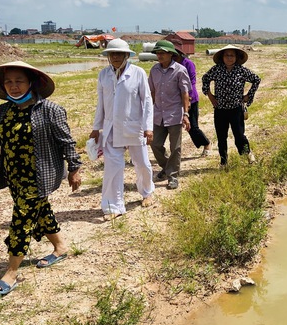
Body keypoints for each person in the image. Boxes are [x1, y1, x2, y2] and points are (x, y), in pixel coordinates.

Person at [0, 61, 82, 296]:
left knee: (22, 219)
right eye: (8, 82)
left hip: (40, 177)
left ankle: (11, 273)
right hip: (14, 177)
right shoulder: (3, 111)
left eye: (19, 81)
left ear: (31, 83)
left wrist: (74, 168)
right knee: (40, 211)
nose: (13, 87)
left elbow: (67, 142)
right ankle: (60, 246)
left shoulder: (50, 110)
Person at [90, 39, 155, 220]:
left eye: (119, 54)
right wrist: (96, 128)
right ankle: (113, 206)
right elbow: (100, 104)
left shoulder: (138, 73)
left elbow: (147, 101)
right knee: (112, 167)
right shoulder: (103, 75)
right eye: (112, 54)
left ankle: (147, 192)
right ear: (108, 57)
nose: (115, 57)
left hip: (135, 127)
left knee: (141, 163)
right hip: (111, 128)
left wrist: (148, 127)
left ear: (127, 55)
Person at [201, 45, 261, 167]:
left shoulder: (241, 70)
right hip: (220, 109)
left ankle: (248, 155)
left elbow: (256, 79)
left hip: (236, 109)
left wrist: (249, 95)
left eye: (232, 55)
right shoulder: (217, 69)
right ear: (222, 57)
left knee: (239, 135)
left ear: (236, 57)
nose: (229, 58)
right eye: (226, 55)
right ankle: (223, 161)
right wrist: (210, 96)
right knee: (221, 137)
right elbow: (205, 79)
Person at [148, 40, 191, 189]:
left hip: (174, 114)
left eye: (162, 53)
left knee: (176, 147)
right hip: (158, 113)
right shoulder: (154, 70)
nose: (159, 55)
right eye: (157, 53)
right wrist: (148, 112)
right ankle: (167, 167)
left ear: (170, 54)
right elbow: (152, 92)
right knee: (155, 144)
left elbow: (185, 93)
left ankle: (172, 176)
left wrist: (186, 114)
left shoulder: (180, 70)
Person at [169, 40, 212, 156]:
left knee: (192, 127)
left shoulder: (188, 64)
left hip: (190, 98)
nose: (173, 56)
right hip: (175, 100)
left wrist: (188, 100)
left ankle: (206, 143)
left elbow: (191, 83)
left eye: (174, 54)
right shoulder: (169, 65)